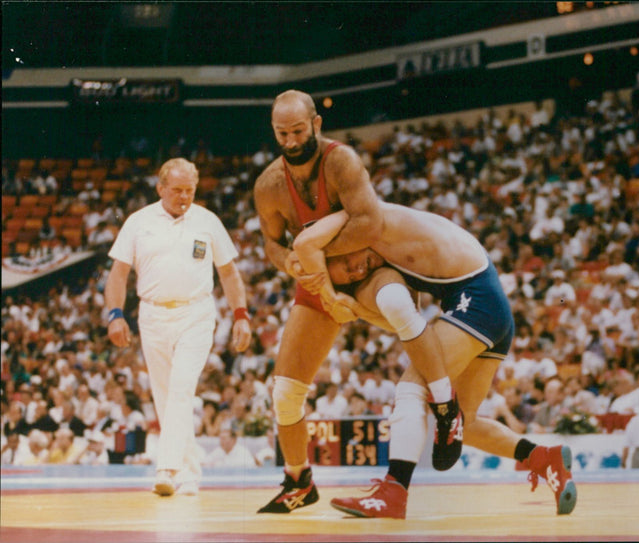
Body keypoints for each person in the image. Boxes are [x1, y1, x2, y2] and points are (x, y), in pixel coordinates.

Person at [291, 201, 577, 518]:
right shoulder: (380, 253)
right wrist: (355, 308)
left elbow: (304, 244)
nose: (359, 270)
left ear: (340, 245)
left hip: (476, 300)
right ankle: (542, 457)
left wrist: (328, 294)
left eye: (348, 263)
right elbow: (407, 323)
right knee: (465, 422)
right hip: (486, 307)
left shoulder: (368, 219)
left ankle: (393, 492)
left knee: (411, 388)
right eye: (350, 274)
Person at [253, 90, 458, 514]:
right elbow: (271, 245)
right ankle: (299, 480)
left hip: (367, 267)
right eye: (281, 134)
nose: (290, 142)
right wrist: (292, 261)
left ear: (316, 124)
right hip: (317, 281)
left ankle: (445, 405)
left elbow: (370, 225)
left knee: (401, 306)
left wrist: (310, 249)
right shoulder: (270, 185)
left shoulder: (341, 161)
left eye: (296, 131)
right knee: (285, 394)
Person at [106, 157, 252, 497]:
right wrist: (115, 314)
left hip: (196, 314)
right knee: (166, 395)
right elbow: (118, 274)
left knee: (182, 387)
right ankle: (190, 473)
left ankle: (166, 468)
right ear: (160, 188)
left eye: (190, 190)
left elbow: (229, 273)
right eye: (176, 190)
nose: (184, 197)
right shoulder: (138, 222)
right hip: (152, 315)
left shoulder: (207, 221)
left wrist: (241, 314)